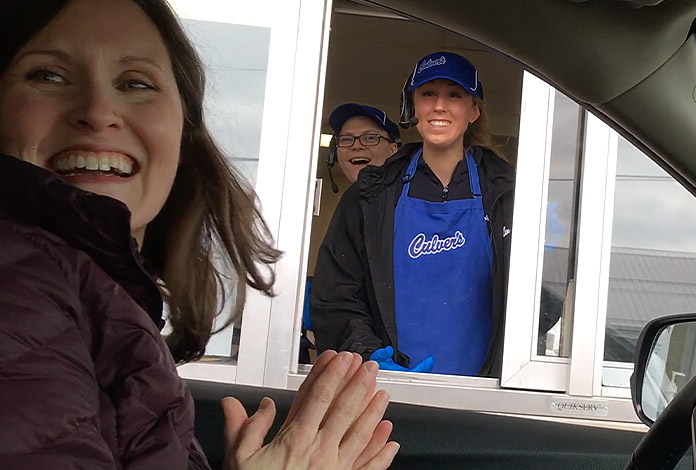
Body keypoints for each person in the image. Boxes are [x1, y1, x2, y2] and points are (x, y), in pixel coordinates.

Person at [0, 0, 397, 468]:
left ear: (184, 136)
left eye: (136, 84)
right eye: (48, 75)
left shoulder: (97, 295)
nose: (98, 111)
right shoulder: (19, 291)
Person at [311, 51, 516, 377]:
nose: (439, 105)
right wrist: (367, 355)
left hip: (484, 395)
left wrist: (547, 257)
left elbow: (539, 304)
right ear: (412, 107)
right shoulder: (371, 195)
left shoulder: (509, 194)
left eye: (454, 95)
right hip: (389, 389)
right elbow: (335, 295)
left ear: (473, 111)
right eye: (428, 94)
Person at [328, 103, 401, 185]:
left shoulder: (411, 195)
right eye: (347, 139)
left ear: (393, 150)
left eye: (370, 138)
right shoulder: (349, 197)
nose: (356, 146)